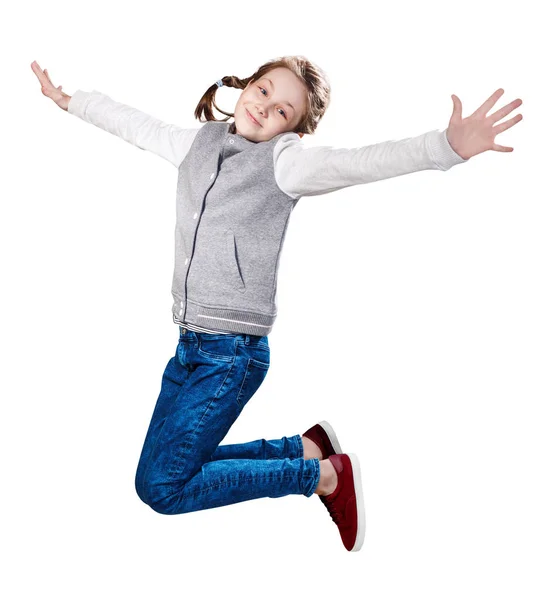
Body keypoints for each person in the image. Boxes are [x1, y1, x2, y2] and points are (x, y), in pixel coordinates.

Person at [30, 55, 523, 553]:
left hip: (231, 354)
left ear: (294, 128)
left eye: (283, 110)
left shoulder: (286, 164)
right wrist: (70, 101)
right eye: (264, 91)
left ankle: (322, 477)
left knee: (163, 487)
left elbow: (360, 162)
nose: (265, 108)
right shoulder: (199, 144)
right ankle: (304, 451)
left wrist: (445, 147)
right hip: (189, 343)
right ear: (247, 85)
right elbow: (135, 125)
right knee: (160, 474)